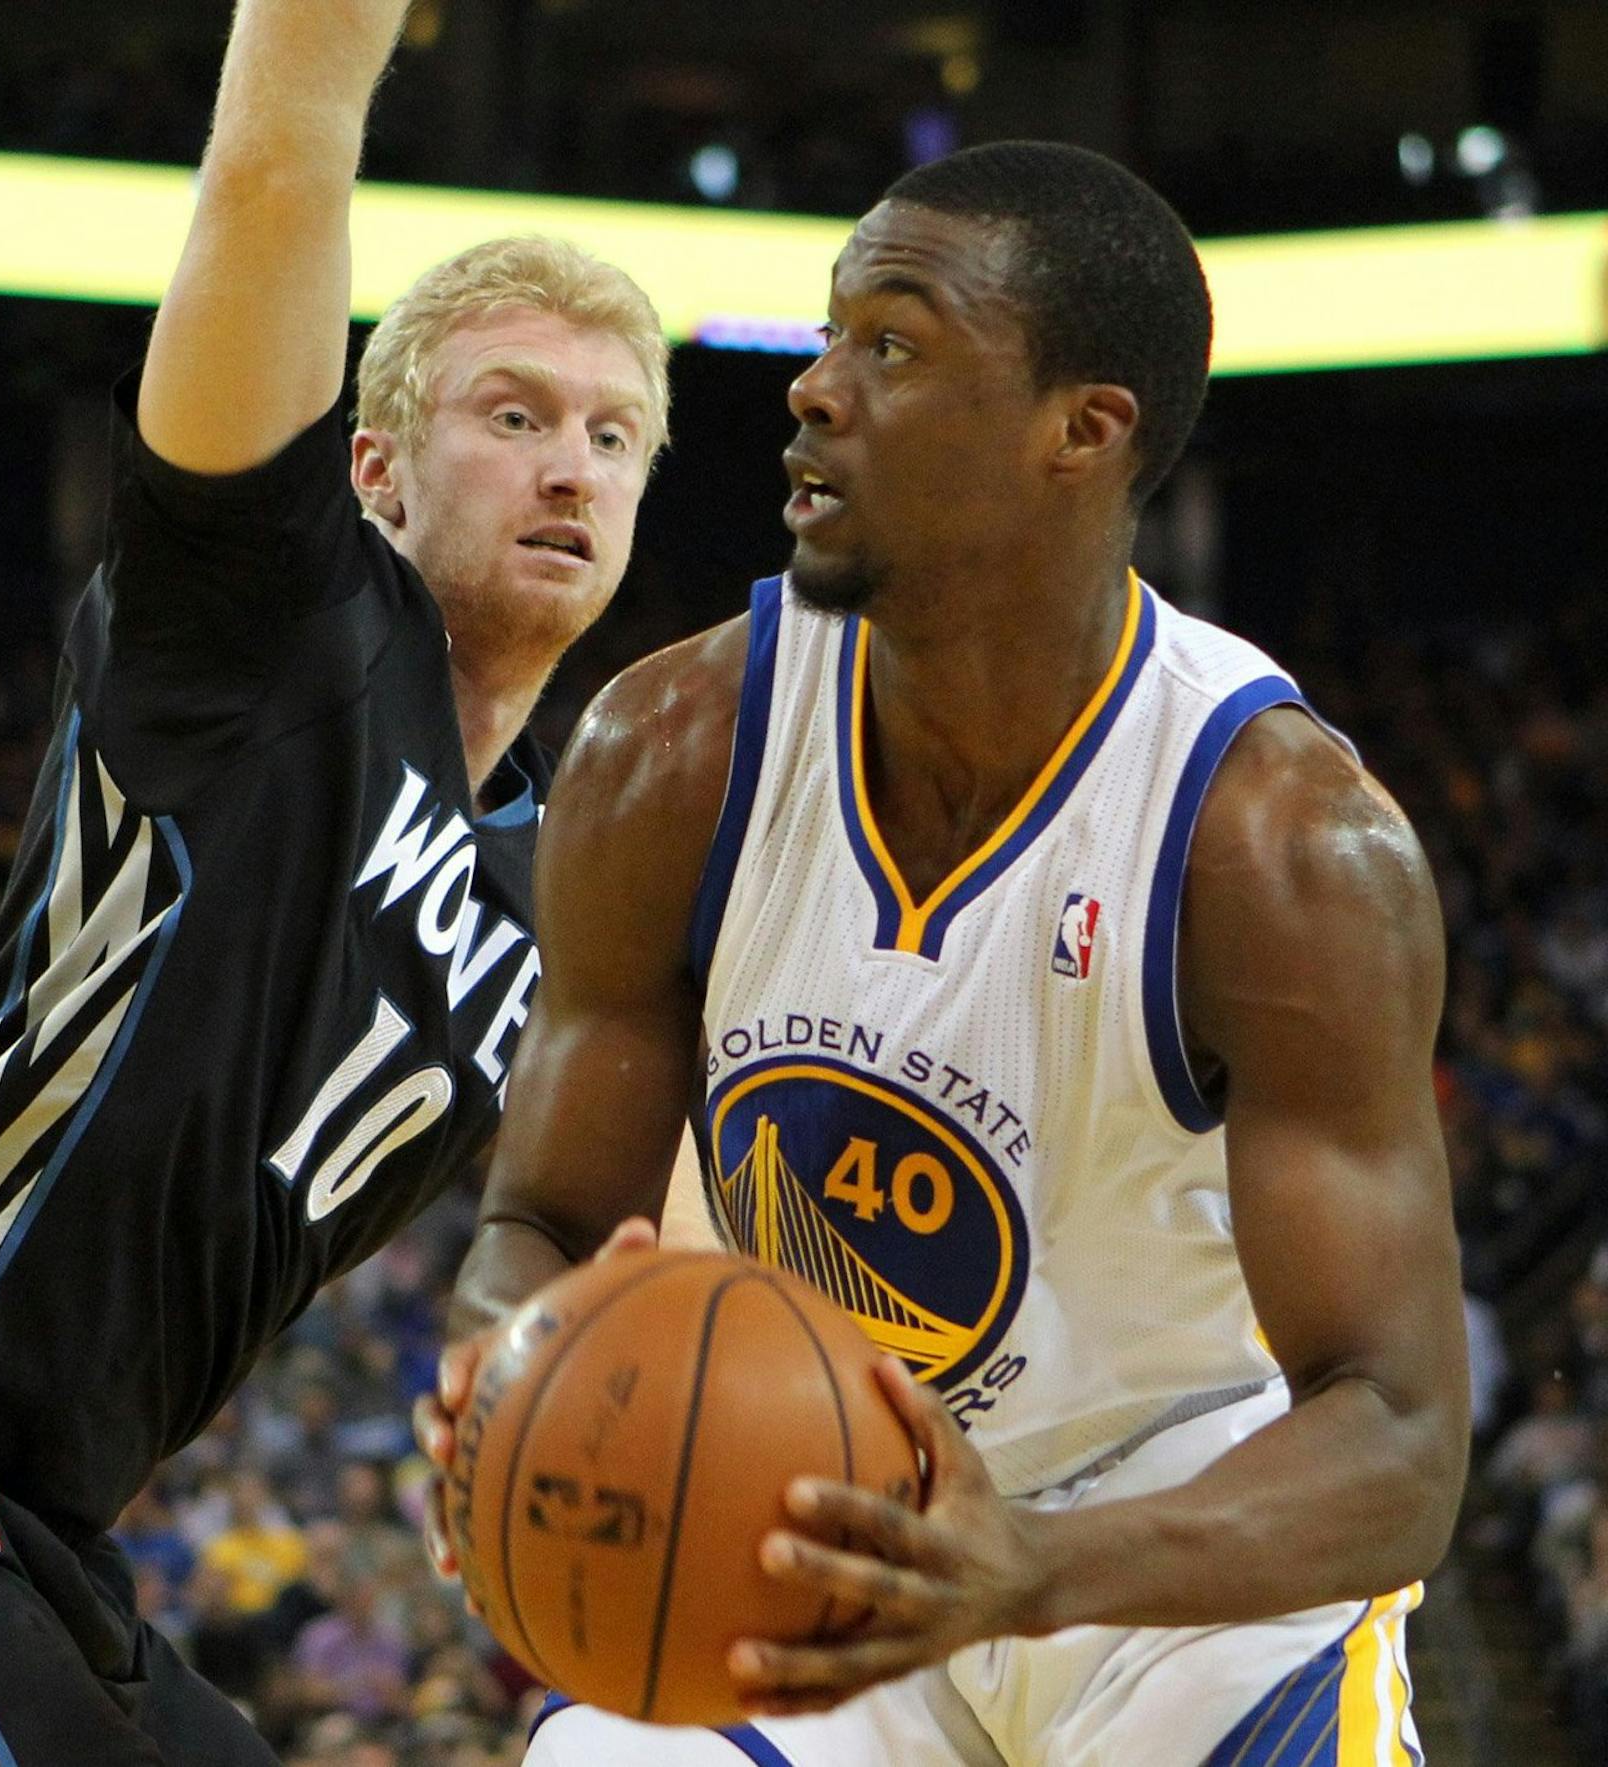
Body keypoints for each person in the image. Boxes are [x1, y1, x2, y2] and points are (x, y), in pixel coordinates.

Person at [0, 0, 668, 1759]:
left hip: (36, 1556)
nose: (573, 463)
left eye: (616, 436)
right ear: (375, 469)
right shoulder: (270, 626)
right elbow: (274, 159)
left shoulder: (564, 893)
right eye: (516, 412)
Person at [421, 141, 1468, 1765]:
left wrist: (1032, 1565)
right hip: (820, 1513)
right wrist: (509, 1366)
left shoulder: (1278, 845)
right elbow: (543, 1221)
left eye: (893, 345)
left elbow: (1399, 1436)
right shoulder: (671, 750)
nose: (814, 390)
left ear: (1081, 430)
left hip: (1177, 1565)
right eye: (831, 335)